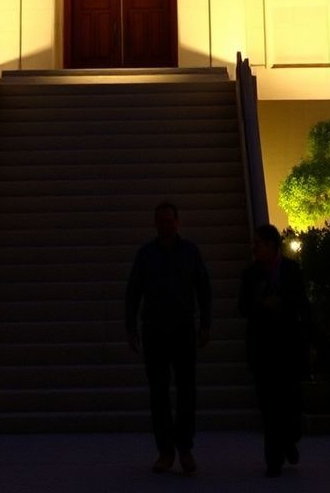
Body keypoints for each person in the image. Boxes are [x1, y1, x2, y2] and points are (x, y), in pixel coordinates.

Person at [126, 202, 211, 475]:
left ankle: (184, 447)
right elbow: (133, 292)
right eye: (161, 221)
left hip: (183, 329)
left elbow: (203, 288)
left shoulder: (190, 252)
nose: (166, 225)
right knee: (159, 394)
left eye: (169, 220)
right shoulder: (146, 254)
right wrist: (131, 327)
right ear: (156, 224)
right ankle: (165, 450)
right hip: (154, 330)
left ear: (177, 222)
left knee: (186, 391)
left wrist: (205, 324)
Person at [238, 223, 311, 478]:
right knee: (269, 405)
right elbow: (243, 307)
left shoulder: (291, 271)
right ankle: (274, 458)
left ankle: (288, 439)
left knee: (289, 401)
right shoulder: (251, 274)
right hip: (263, 347)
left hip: (287, 346)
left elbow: (302, 304)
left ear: (272, 245)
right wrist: (260, 304)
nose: (254, 248)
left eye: (258, 244)